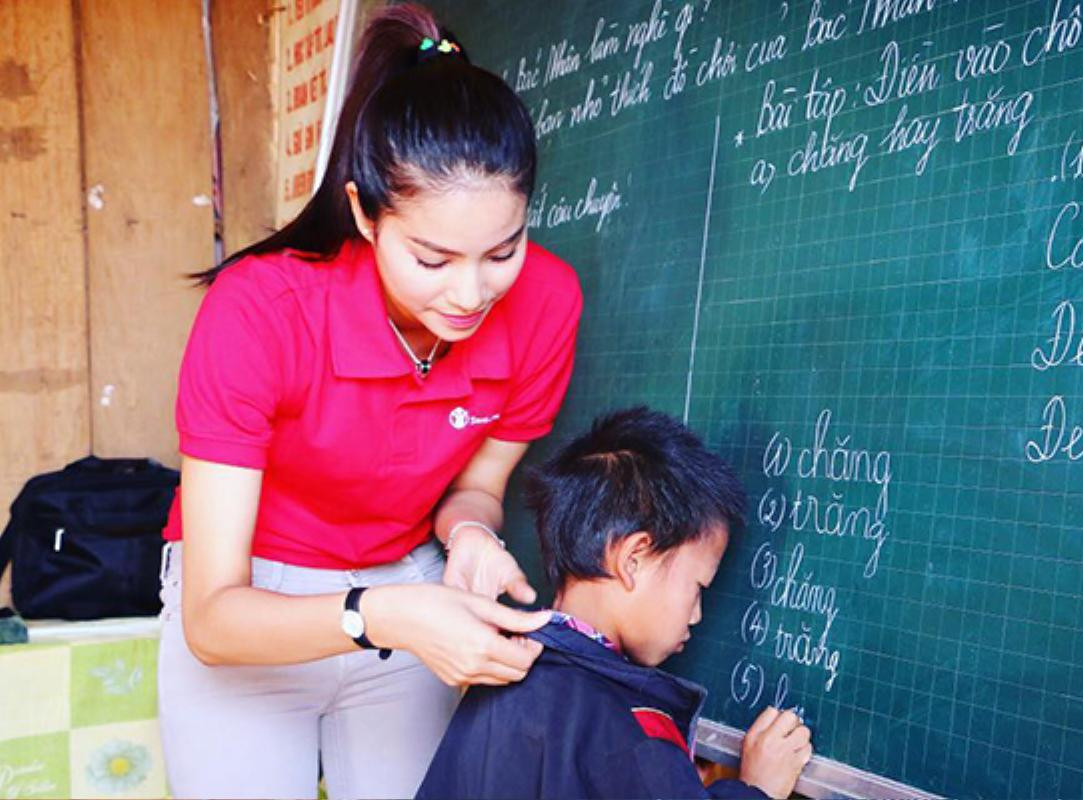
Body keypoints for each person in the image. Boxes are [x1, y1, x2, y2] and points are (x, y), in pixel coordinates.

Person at [156, 4, 582, 798]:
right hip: (256, 598)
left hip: (411, 589)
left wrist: (469, 542)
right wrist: (379, 614)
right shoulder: (260, 308)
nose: (470, 293)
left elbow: (477, 490)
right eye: (431, 257)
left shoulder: (549, 300)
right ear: (363, 213)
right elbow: (213, 619)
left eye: (503, 250)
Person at [417, 407, 814, 799]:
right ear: (633, 559)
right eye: (697, 588)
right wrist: (758, 789)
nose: (696, 615)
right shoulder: (630, 730)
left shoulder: (503, 673)